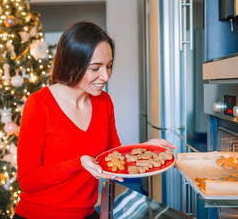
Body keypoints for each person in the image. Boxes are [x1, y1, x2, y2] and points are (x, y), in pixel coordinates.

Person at [14, 21, 175, 219]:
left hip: (86, 214)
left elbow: (114, 156)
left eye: (108, 66)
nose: (105, 76)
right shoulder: (39, 104)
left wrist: (146, 150)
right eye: (95, 68)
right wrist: (78, 163)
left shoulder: (104, 102)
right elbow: (28, 180)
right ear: (72, 64)